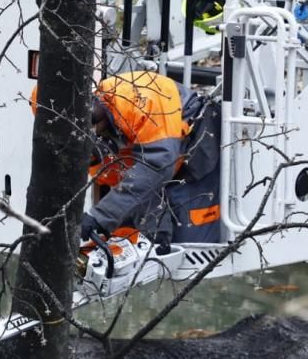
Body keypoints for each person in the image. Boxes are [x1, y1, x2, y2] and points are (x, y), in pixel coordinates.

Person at [80, 70, 221, 252]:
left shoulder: (138, 97)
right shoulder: (97, 142)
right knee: (147, 243)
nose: (92, 130)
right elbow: (137, 186)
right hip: (164, 164)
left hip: (196, 154)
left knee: (192, 246)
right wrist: (156, 232)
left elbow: (158, 165)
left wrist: (100, 216)